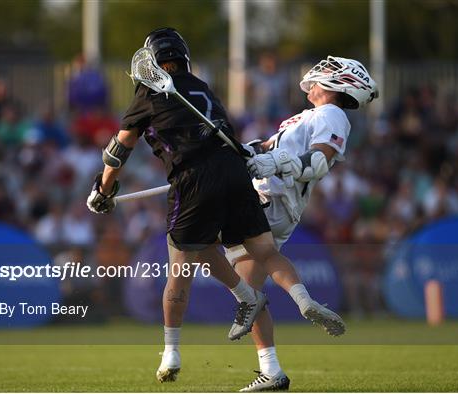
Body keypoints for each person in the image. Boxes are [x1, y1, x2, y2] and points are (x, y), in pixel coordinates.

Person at [86, 28, 344, 384]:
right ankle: (292, 307)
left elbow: (120, 146)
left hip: (194, 179)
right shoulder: (201, 86)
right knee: (261, 250)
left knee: (180, 263)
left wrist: (103, 188)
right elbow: (228, 134)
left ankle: (172, 353)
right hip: (237, 173)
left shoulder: (148, 90)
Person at [221, 56, 378, 391]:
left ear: (338, 83)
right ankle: (272, 370)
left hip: (274, 198)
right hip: (273, 199)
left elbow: (320, 160)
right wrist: (252, 152)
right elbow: (271, 147)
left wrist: (273, 163)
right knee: (250, 293)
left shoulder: (332, 114)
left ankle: (301, 299)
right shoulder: (309, 116)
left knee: (202, 232)